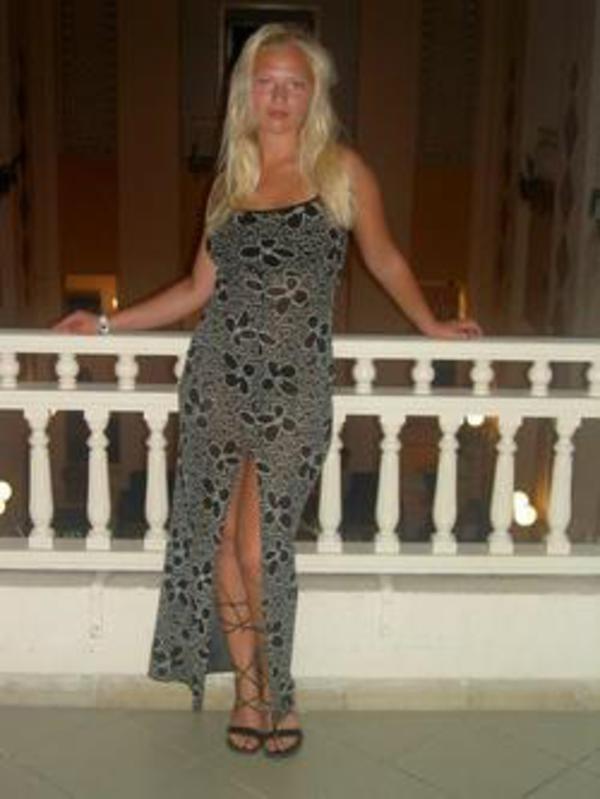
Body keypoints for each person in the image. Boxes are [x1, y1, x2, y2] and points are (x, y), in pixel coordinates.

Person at [55, 22, 482, 758]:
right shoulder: (231, 180)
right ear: (245, 92)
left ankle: (280, 689)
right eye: (266, 83)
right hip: (217, 377)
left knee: (260, 546)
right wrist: (103, 324)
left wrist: (430, 324)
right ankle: (250, 691)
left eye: (294, 84)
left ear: (315, 95)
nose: (279, 98)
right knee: (222, 539)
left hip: (296, 384)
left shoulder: (341, 171)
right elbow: (196, 289)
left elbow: (383, 257)